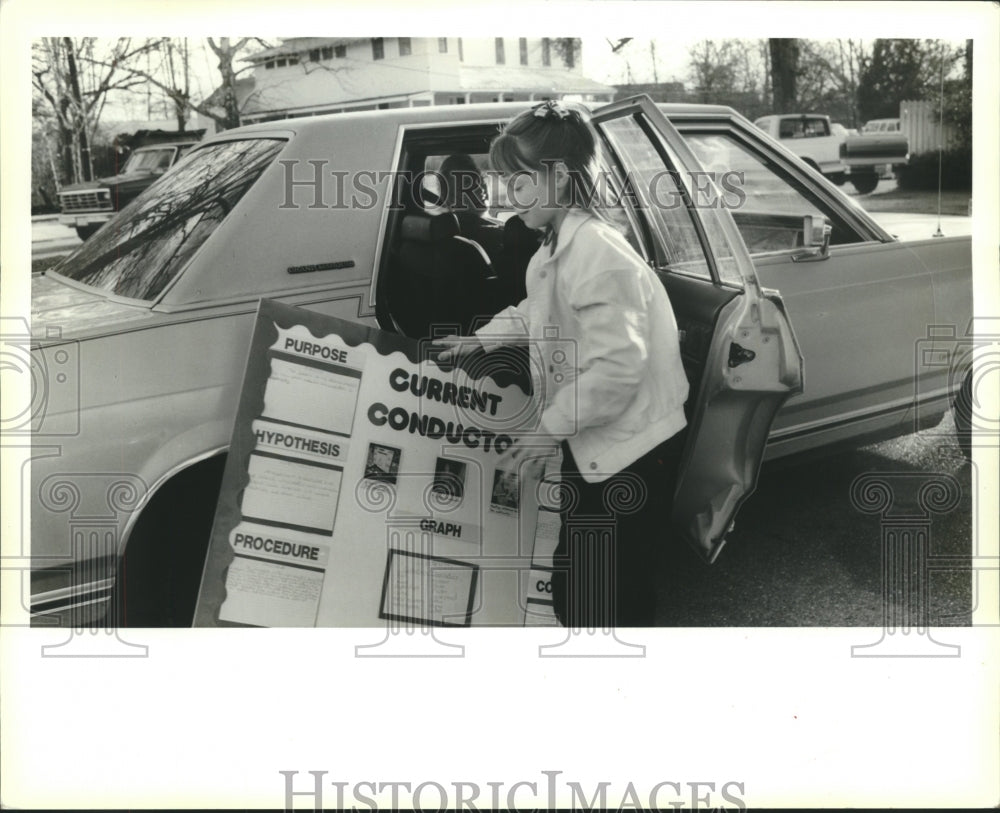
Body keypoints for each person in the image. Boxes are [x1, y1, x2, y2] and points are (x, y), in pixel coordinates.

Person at [437, 99, 689, 628]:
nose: (505, 194)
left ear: (557, 178)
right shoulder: (557, 244)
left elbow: (619, 367)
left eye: (517, 181)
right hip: (597, 434)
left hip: (633, 445)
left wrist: (548, 429)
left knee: (609, 588)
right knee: (579, 578)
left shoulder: (597, 251)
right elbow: (543, 311)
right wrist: (481, 341)